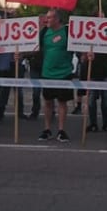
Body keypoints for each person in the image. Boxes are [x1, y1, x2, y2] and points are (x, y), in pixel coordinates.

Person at [28, 8, 75, 143]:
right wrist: (22, 54)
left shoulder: (67, 32)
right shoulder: (44, 33)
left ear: (57, 19)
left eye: (49, 18)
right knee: (48, 102)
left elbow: (79, 47)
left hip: (64, 72)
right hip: (47, 72)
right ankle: (47, 129)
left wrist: (86, 55)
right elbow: (34, 47)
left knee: (62, 102)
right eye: (46, 18)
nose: (46, 20)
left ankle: (61, 130)